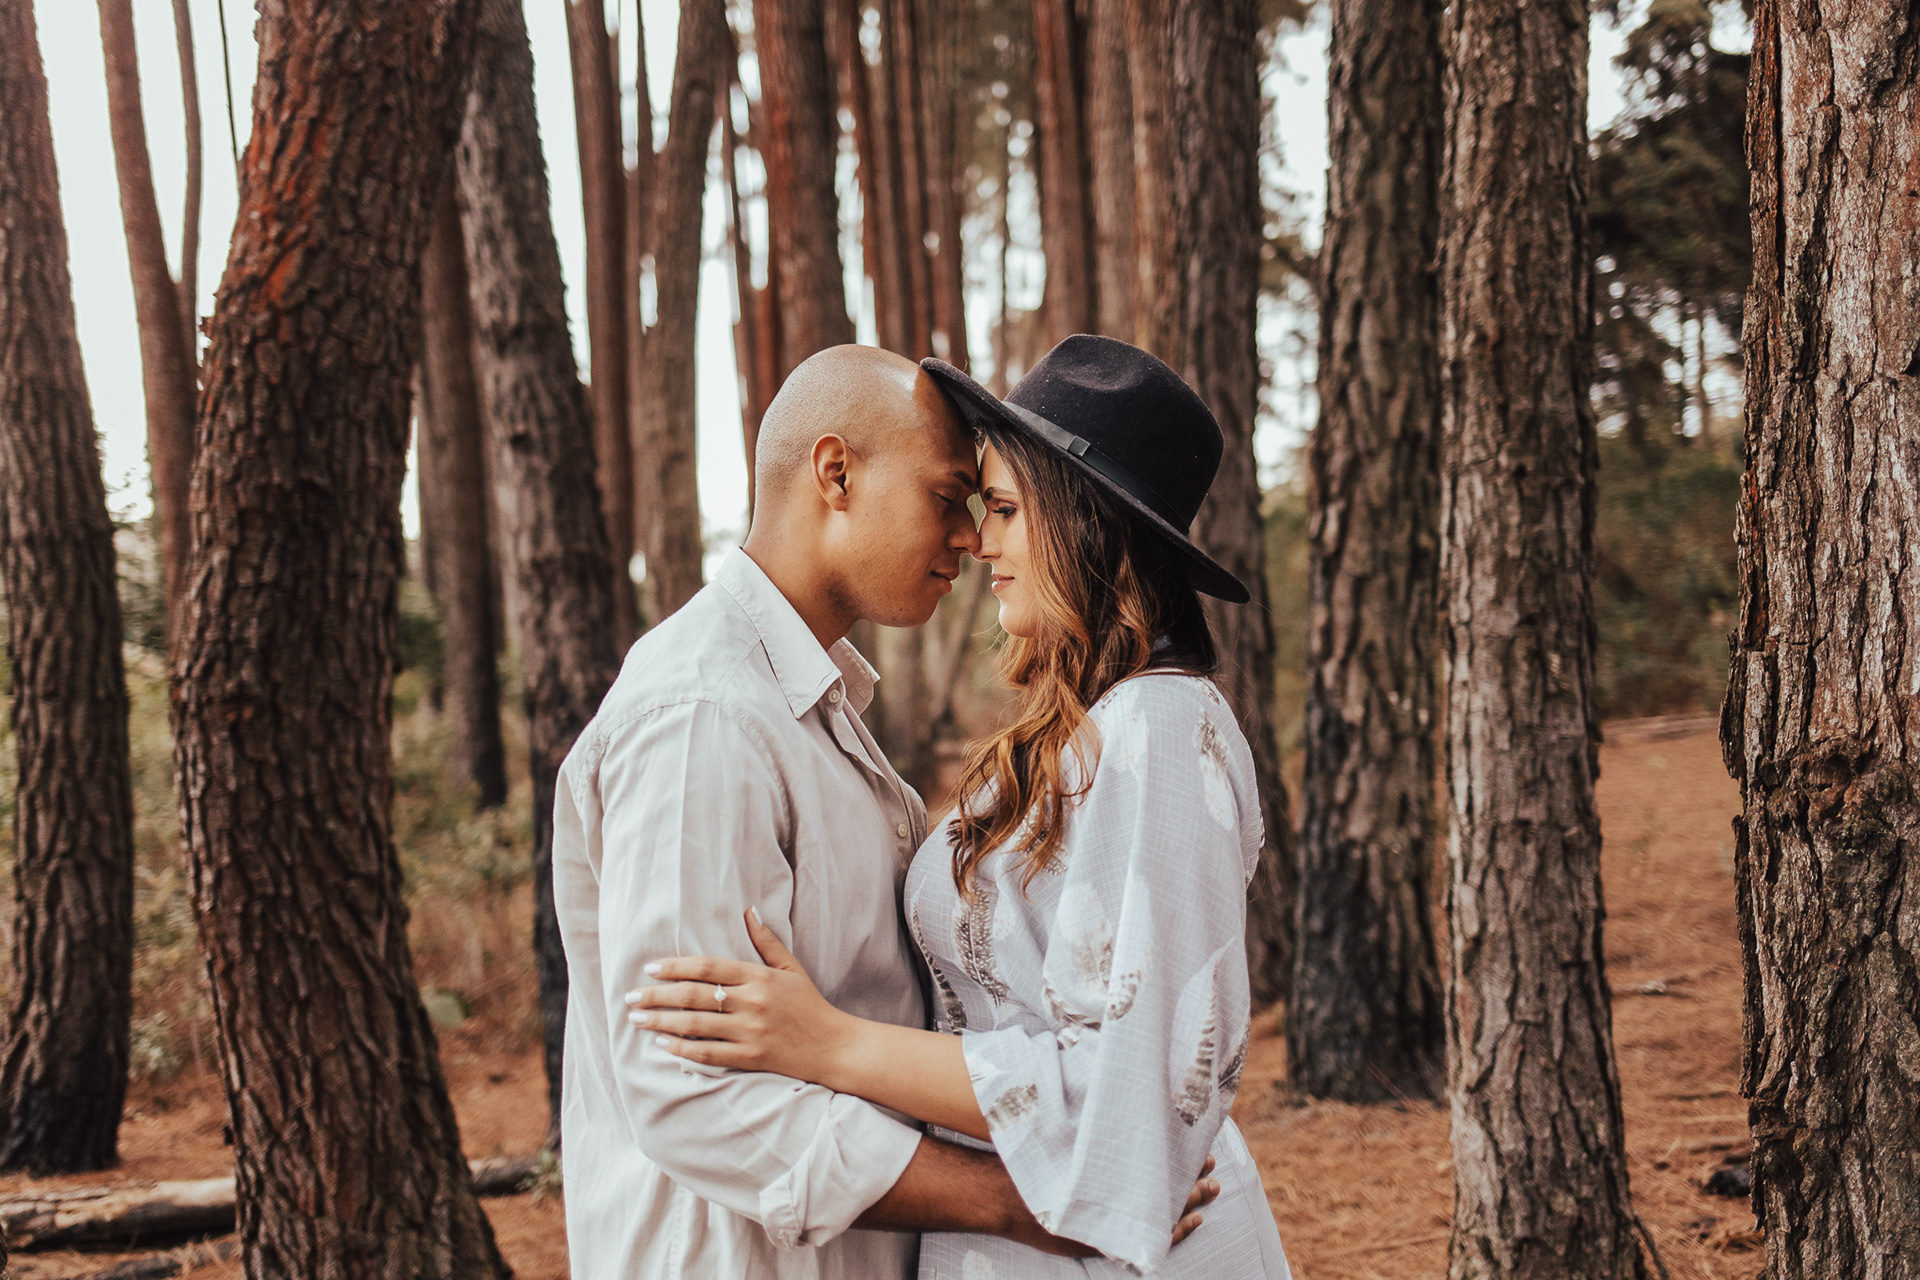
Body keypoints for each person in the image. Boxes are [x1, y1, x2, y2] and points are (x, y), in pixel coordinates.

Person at [630, 335, 1294, 1278]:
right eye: (970, 505)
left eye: (1005, 509)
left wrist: (833, 1044)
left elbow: (1134, 1089)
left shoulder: (1161, 727)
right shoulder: (1076, 736)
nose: (980, 540)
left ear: (1086, 526)